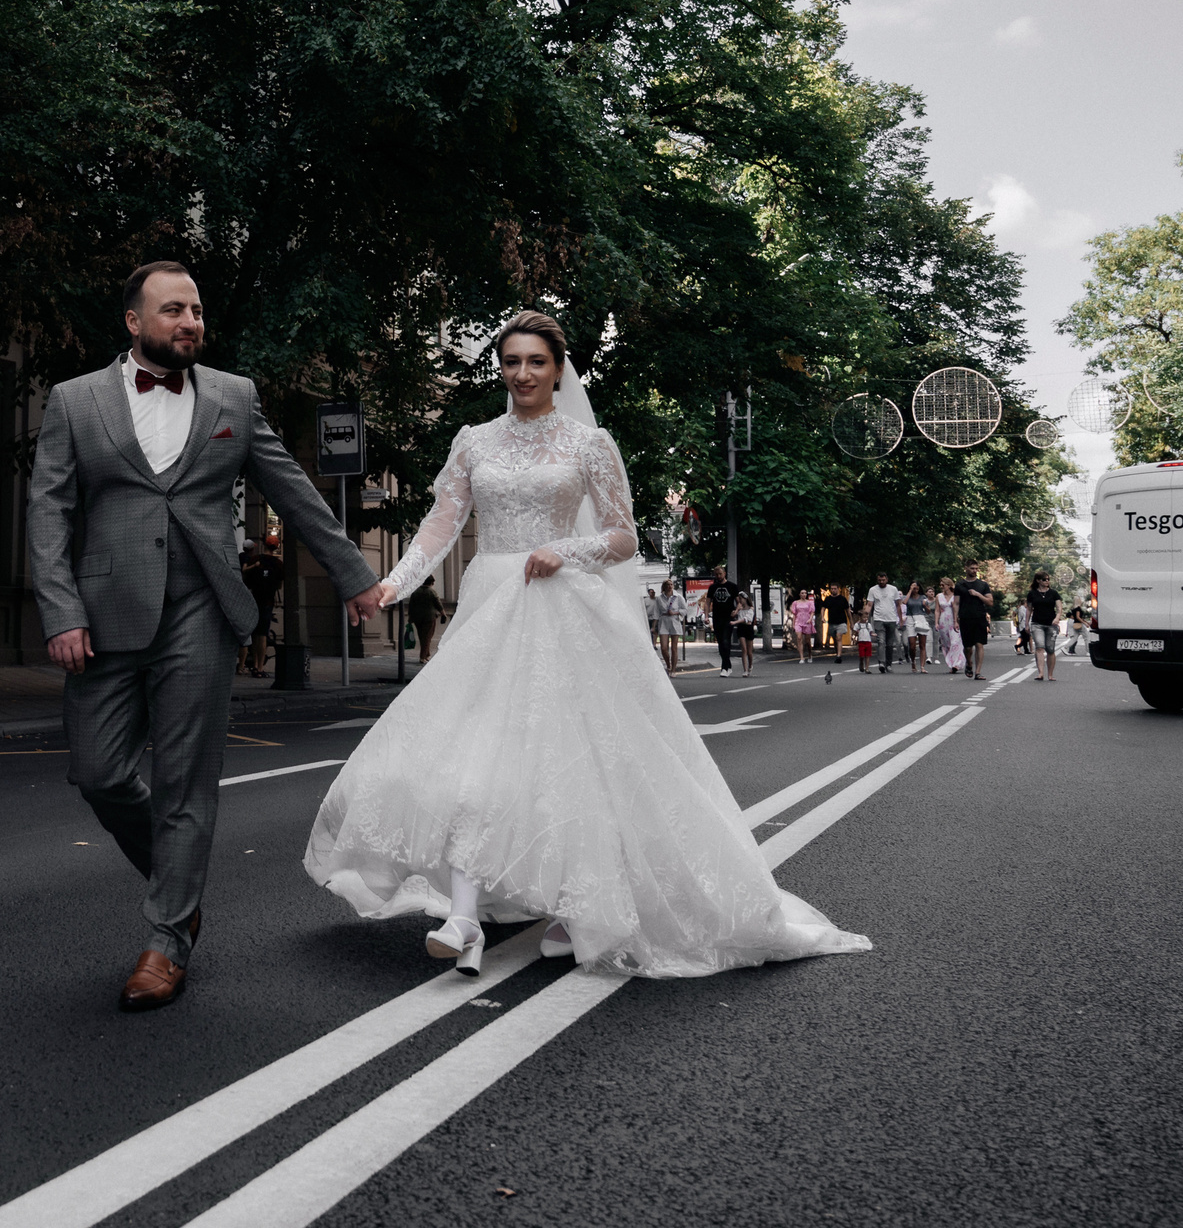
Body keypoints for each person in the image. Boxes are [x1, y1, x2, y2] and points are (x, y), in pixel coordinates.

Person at [305, 311, 872, 979]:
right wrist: (391, 586)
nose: (521, 373)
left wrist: (565, 548)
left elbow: (624, 538)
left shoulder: (588, 444)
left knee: (572, 765)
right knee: (474, 761)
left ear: (558, 369)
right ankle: (463, 919)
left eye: (535, 362)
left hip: (561, 608)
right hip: (490, 606)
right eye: (511, 361)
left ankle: (578, 908)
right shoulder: (472, 441)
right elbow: (440, 527)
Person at [29, 262, 380, 1013]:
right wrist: (61, 612)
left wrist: (353, 574)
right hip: (104, 610)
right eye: (173, 310)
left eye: (196, 310)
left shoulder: (233, 396)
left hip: (201, 608)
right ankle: (179, 887)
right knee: (100, 773)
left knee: (187, 781)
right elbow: (50, 511)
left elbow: (292, 488)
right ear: (134, 323)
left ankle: (165, 941)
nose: (191, 321)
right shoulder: (75, 401)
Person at [239, 540, 286, 677]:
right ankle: (260, 667)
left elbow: (246, 579)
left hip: (254, 600)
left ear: (264, 546)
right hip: (267, 601)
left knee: (254, 633)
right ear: (276, 547)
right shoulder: (278, 564)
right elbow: (279, 584)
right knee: (263, 635)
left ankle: (253, 664)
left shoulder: (255, 559)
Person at [1026, 571, 1063, 683]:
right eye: (1044, 579)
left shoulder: (1053, 593)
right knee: (1040, 647)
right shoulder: (1032, 594)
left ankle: (1050, 674)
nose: (1047, 581)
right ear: (1038, 581)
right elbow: (1029, 609)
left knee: (1050, 649)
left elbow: (1059, 608)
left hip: (1051, 624)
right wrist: (1026, 624)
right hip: (1037, 624)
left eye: (1048, 579)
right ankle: (1040, 673)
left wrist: (1057, 618)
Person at [957, 573, 994, 681]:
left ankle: (978, 672)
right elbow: (956, 603)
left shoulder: (983, 585)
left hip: (980, 617)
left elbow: (990, 602)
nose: (974, 570)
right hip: (965, 618)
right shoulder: (960, 585)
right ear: (966, 568)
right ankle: (969, 663)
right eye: (972, 568)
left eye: (976, 568)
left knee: (979, 644)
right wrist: (955, 619)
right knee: (967, 647)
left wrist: (978, 594)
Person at [865, 573, 904, 674]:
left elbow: (898, 605)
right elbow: (869, 604)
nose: (881, 582)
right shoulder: (872, 590)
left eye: (883, 580)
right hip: (879, 619)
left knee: (890, 644)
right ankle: (881, 663)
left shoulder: (893, 589)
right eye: (879, 580)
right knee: (881, 641)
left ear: (887, 579)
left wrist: (900, 619)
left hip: (891, 619)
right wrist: (865, 616)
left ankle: (889, 664)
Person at [704, 571, 738, 673]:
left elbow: (739, 602)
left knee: (726, 641)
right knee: (720, 642)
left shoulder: (732, 586)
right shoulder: (713, 587)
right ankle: (728, 663)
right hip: (717, 617)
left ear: (724, 574)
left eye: (720, 574)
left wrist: (736, 611)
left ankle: (724, 668)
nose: (718, 576)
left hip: (728, 617)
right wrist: (706, 616)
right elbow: (707, 602)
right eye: (716, 574)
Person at [406, 579, 445, 667]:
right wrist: (443, 614)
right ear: (431, 582)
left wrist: (410, 617)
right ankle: (422, 657)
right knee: (427, 637)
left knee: (422, 636)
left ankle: (427, 655)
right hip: (429, 617)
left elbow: (411, 605)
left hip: (417, 617)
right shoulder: (432, 592)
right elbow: (438, 604)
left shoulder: (415, 592)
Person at [654, 579, 687, 672]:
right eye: (667, 585)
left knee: (674, 648)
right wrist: (654, 626)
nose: (670, 586)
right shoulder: (659, 598)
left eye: (671, 584)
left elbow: (685, 610)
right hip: (663, 622)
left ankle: (673, 669)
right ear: (664, 587)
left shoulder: (678, 597)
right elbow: (656, 612)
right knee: (664, 648)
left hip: (674, 621)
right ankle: (668, 664)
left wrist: (675, 612)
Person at [934, 578, 964, 674]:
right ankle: (951, 665)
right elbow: (937, 610)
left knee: (955, 643)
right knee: (947, 644)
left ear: (949, 585)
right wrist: (936, 622)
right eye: (941, 585)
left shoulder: (955, 596)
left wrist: (956, 621)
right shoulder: (939, 596)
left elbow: (959, 608)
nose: (942, 587)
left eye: (943, 585)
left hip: (953, 620)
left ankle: (957, 664)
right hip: (943, 621)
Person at [731, 584, 759, 675]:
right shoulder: (739, 608)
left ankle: (750, 665)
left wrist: (736, 622)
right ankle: (745, 670)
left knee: (749, 651)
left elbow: (748, 620)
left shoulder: (751, 609)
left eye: (741, 598)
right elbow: (733, 616)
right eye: (738, 599)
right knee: (744, 649)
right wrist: (737, 610)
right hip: (741, 629)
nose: (740, 600)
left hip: (748, 629)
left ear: (745, 599)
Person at [822, 584, 851, 658]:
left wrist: (851, 622)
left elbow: (848, 611)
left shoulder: (843, 599)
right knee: (835, 638)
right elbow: (823, 608)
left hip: (841, 622)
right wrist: (822, 617)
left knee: (839, 637)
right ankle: (837, 651)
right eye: (832, 589)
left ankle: (839, 656)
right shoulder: (828, 599)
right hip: (832, 622)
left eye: (835, 588)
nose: (833, 590)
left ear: (838, 589)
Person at [790, 587, 815, 662]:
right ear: (799, 594)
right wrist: (793, 624)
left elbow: (812, 612)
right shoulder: (795, 603)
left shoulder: (810, 603)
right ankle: (801, 657)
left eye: (805, 593)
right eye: (802, 593)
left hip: (807, 622)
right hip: (798, 622)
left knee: (807, 641)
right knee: (799, 638)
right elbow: (794, 614)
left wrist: (810, 619)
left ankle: (810, 654)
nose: (804, 594)